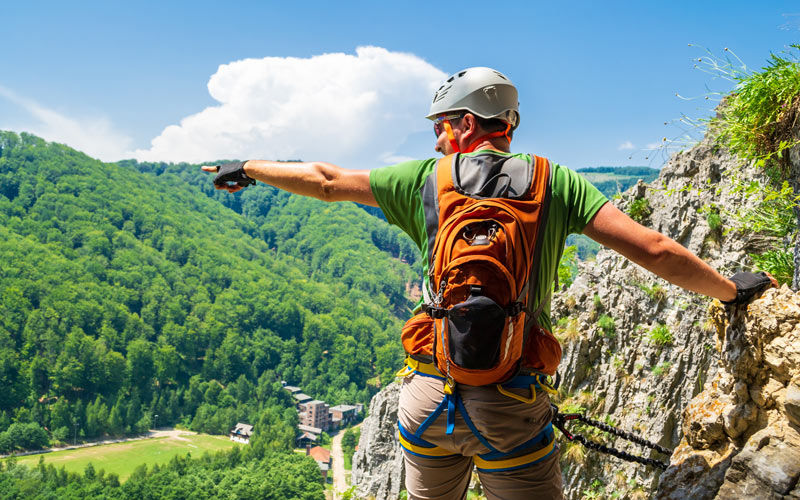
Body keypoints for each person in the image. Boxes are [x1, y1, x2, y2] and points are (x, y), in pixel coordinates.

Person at [204, 67, 776, 500]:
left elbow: (326, 181)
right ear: (510, 125)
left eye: (439, 127)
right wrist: (732, 291)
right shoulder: (556, 183)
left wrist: (249, 168)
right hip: (509, 401)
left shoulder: (425, 180)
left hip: (427, 398)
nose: (435, 142)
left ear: (466, 123)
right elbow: (654, 249)